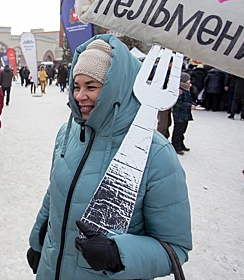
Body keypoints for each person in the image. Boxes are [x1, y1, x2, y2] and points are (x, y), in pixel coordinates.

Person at [27, 35, 191, 279]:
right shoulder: (68, 132)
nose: (80, 95)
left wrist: (118, 255)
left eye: (91, 87)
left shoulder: (155, 153)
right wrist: (38, 242)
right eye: (76, 86)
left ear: (117, 88)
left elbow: (175, 250)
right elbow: (55, 193)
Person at [172, 72, 195, 155]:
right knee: (178, 131)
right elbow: (178, 103)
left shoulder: (186, 90)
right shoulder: (179, 91)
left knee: (183, 130)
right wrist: (189, 106)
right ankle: (176, 146)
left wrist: (193, 104)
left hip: (185, 114)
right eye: (188, 81)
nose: (190, 83)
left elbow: (189, 100)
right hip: (179, 114)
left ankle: (181, 144)